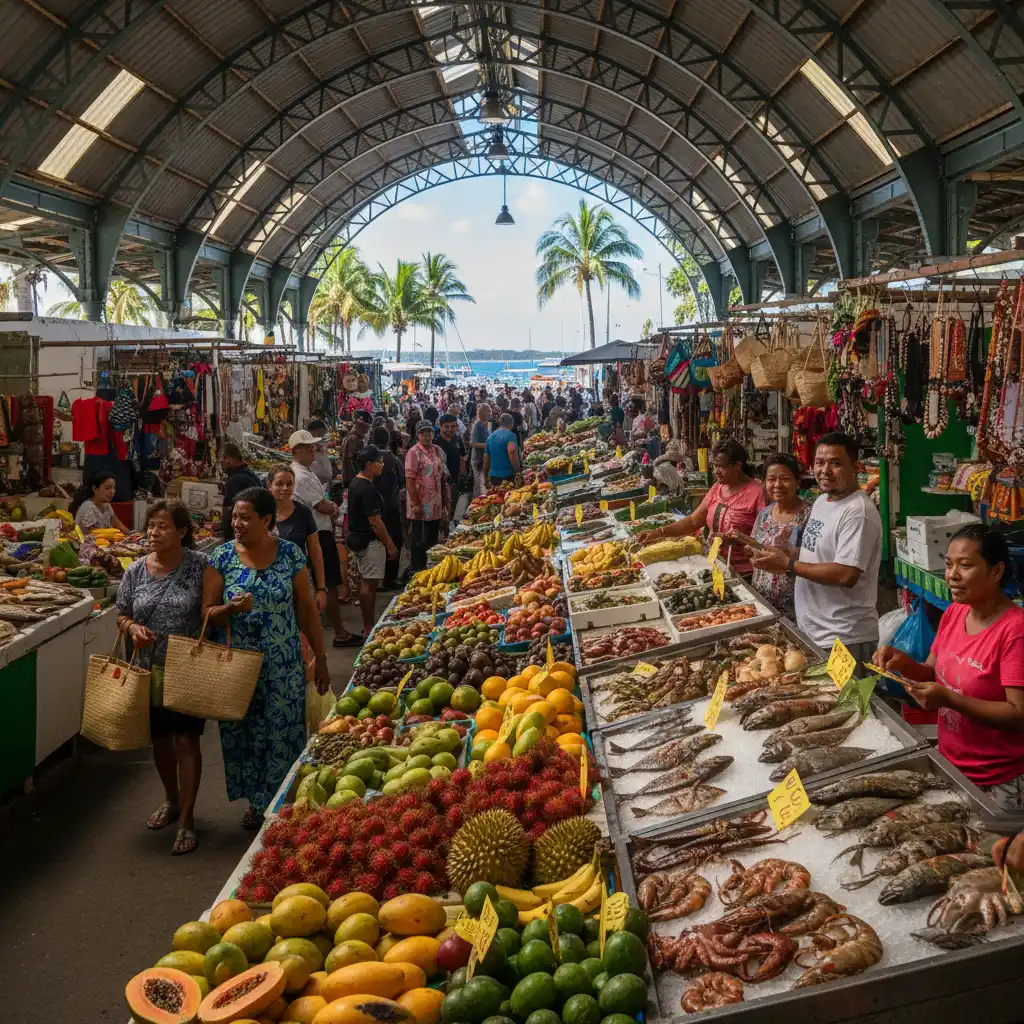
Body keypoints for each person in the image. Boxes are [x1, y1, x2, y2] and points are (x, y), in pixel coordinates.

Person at [204, 487, 330, 828]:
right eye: (234, 517)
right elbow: (207, 613)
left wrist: (320, 656)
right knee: (245, 734)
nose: (237, 523)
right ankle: (257, 802)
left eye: (245, 517)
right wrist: (230, 608)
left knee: (284, 732)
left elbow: (305, 608)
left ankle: (283, 802)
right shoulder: (221, 558)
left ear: (267, 520)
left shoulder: (289, 554)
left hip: (283, 664)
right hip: (238, 667)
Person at [874, 525, 1024, 810]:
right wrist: (904, 663)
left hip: (999, 782)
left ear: (996, 571)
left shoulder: (1015, 631)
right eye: (948, 564)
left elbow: (1018, 714)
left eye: (965, 565)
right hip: (952, 765)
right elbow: (931, 671)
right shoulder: (956, 612)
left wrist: (949, 699)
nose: (952, 575)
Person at [117, 500, 215, 856]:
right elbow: (122, 614)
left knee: (186, 741)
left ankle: (187, 818)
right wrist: (133, 629)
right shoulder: (136, 571)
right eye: (151, 526)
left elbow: (209, 612)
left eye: (162, 526)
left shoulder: (200, 566)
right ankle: (172, 800)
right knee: (160, 741)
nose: (154, 533)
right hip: (147, 668)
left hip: (186, 668)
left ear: (183, 532)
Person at [751, 432, 881, 663]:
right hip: (814, 631)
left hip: (844, 637)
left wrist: (788, 565)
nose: (825, 470)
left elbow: (846, 574)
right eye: (820, 463)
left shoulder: (858, 512)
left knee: (849, 699)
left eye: (836, 463)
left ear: (856, 466)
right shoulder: (823, 501)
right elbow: (817, 552)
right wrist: (784, 553)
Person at [638, 438, 766, 575]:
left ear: (737, 466)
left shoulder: (758, 493)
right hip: (715, 565)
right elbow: (693, 521)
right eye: (714, 466)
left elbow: (766, 540)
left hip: (746, 572)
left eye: (721, 466)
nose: (716, 471)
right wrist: (658, 533)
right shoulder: (718, 488)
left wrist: (739, 539)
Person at [289, 429, 359, 646]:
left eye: (314, 446)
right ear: (296, 451)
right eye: (309, 448)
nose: (314, 450)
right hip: (317, 534)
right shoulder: (299, 476)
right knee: (327, 582)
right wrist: (333, 509)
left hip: (319, 531)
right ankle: (338, 632)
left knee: (327, 581)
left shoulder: (305, 472)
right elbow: (321, 505)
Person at [740, 453, 811, 619]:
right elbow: (755, 545)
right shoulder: (764, 514)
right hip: (763, 602)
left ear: (797, 482)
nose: (778, 485)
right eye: (771, 479)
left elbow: (812, 561)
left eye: (785, 479)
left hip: (796, 606)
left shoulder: (809, 516)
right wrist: (750, 550)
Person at [346, 446, 400, 636]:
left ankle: (370, 623)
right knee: (368, 584)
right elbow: (375, 522)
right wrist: (390, 544)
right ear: (369, 465)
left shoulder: (356, 483)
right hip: (369, 541)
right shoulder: (367, 488)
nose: (382, 465)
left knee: (368, 582)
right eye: (379, 461)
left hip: (360, 539)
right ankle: (369, 625)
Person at [265, 466, 327, 613]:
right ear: (269, 485)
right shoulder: (260, 514)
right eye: (279, 484)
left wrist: (322, 588)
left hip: (300, 583)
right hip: (268, 586)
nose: (285, 488)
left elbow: (315, 552)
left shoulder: (303, 513)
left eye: (289, 484)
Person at [405, 420, 450, 572]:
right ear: (418, 435)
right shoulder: (413, 453)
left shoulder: (437, 450)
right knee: (419, 540)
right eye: (423, 433)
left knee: (432, 538)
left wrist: (444, 502)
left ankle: (431, 570)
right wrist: (416, 503)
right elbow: (409, 479)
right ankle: (417, 571)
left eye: (429, 432)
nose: (427, 435)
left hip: (435, 503)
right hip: (420, 504)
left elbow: (443, 477)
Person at [370, 426, 404, 590]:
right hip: (390, 507)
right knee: (394, 540)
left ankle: (375, 579)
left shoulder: (367, 459)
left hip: (371, 508)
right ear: (388, 440)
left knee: (376, 541)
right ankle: (390, 579)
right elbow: (402, 482)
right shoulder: (394, 459)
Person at [219, 441, 262, 539]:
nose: (221, 461)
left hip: (241, 532)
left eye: (223, 458)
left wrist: (220, 526)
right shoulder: (251, 474)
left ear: (228, 460)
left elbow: (229, 510)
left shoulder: (234, 480)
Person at [484, 412, 521, 488]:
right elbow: (512, 452)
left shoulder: (490, 437)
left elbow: (486, 459)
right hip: (508, 476)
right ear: (512, 425)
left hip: (493, 477)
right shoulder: (510, 435)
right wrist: (518, 472)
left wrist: (485, 479)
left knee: (497, 498)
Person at [341, 411, 371, 485]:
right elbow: (351, 461)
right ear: (361, 427)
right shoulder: (354, 439)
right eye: (366, 427)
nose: (367, 430)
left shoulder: (353, 437)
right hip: (353, 479)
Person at [470, 403, 491, 497]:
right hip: (478, 460)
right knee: (479, 485)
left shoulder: (486, 423)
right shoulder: (477, 425)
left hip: (485, 458)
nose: (490, 413)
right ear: (481, 413)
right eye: (488, 411)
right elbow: (473, 443)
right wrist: (488, 445)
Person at [308, 418, 334, 487]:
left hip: (322, 479)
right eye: (323, 431)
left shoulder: (318, 443)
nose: (324, 434)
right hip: (317, 480)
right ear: (318, 431)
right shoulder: (309, 444)